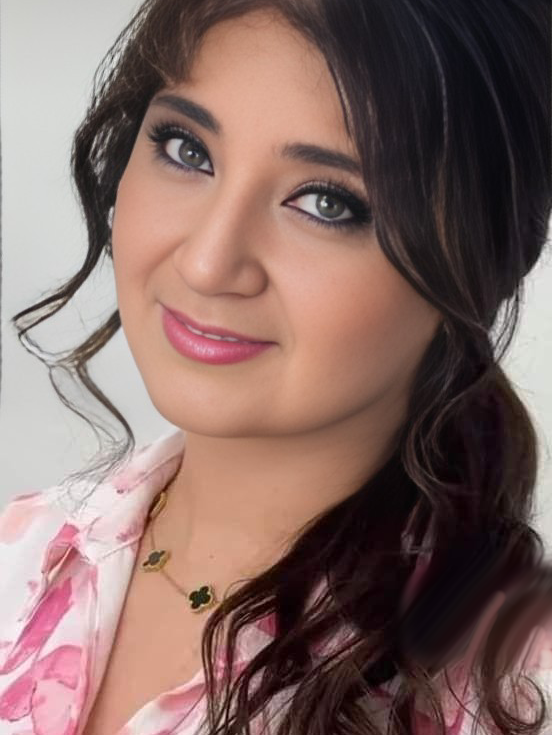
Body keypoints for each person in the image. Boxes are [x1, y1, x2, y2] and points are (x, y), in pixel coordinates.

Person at [0, 0, 551, 733]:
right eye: (187, 149)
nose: (206, 263)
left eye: (326, 202)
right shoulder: (21, 553)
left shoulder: (516, 691)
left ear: (479, 268)